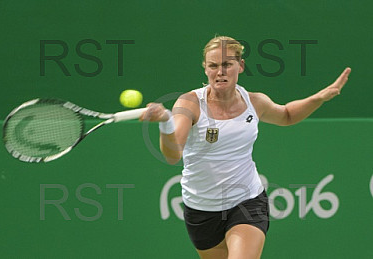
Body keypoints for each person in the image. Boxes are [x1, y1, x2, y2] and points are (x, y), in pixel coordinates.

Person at [140, 36, 351, 259]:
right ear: (205, 69)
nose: (220, 72)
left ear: (240, 66)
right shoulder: (189, 103)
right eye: (213, 66)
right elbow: (173, 155)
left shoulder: (255, 102)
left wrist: (320, 97)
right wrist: (165, 122)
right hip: (201, 209)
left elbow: (287, 114)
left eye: (226, 65)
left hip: (246, 200)